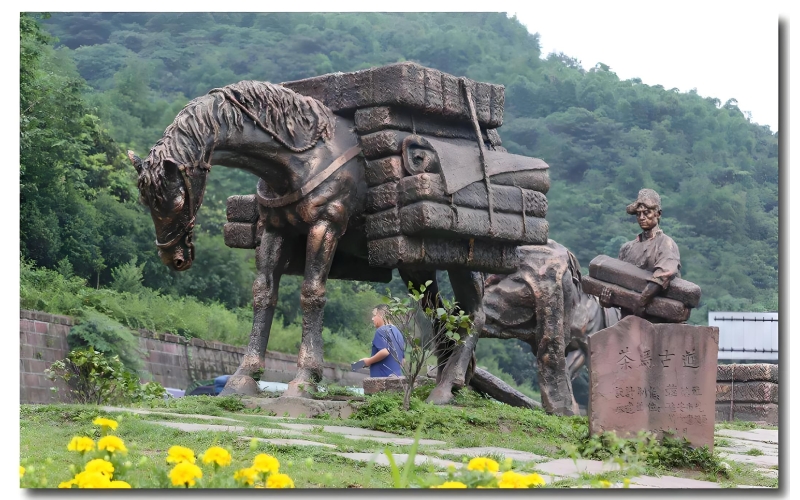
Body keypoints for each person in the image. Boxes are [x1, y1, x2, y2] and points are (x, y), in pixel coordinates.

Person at [600, 188, 681, 320]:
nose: (642, 217)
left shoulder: (666, 244)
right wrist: (608, 300)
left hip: (658, 321)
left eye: (647, 213)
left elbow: (663, 276)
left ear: (658, 214)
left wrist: (641, 301)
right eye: (638, 214)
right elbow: (619, 284)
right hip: (628, 320)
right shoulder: (627, 248)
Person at [359, 305, 405, 377]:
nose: (372, 319)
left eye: (374, 315)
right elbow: (403, 361)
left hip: (382, 379)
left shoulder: (381, 330)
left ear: (382, 316)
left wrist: (368, 361)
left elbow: (385, 351)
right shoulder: (398, 333)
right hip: (397, 378)